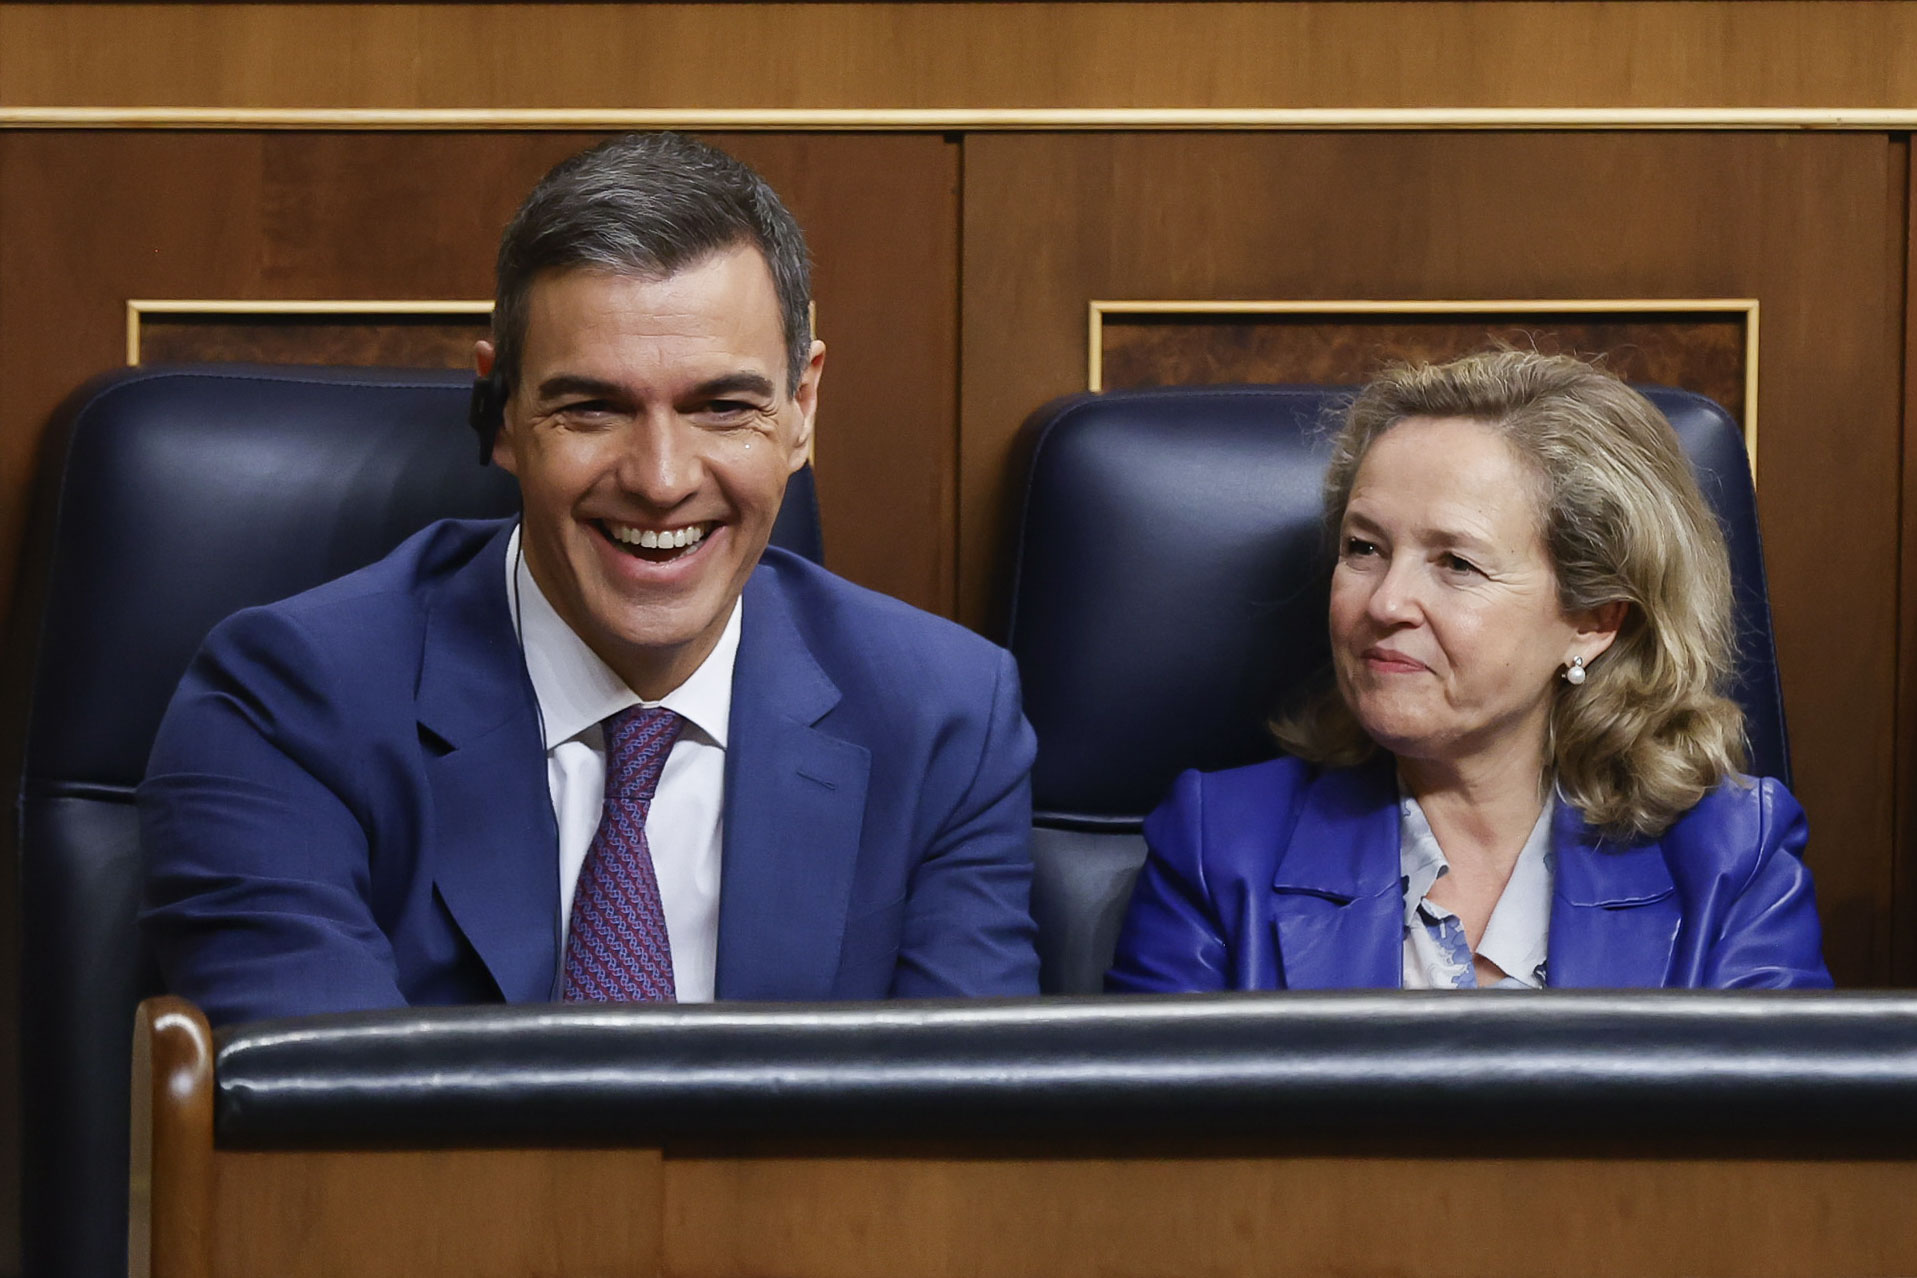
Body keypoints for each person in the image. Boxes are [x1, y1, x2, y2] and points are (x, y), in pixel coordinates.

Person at [140, 133, 1039, 1025]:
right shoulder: (286, 705)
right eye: (593, 409)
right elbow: (328, 1131)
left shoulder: (944, 719)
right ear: (499, 413)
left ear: (802, 410)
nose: (659, 479)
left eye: (723, 408)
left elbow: (962, 1141)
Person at [1108, 350, 1830, 992]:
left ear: (1594, 620)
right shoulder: (1219, 846)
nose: (1386, 602)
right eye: (1363, 548)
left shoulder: (1728, 860)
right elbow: (1145, 1141)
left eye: (1456, 562)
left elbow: (1770, 1141)